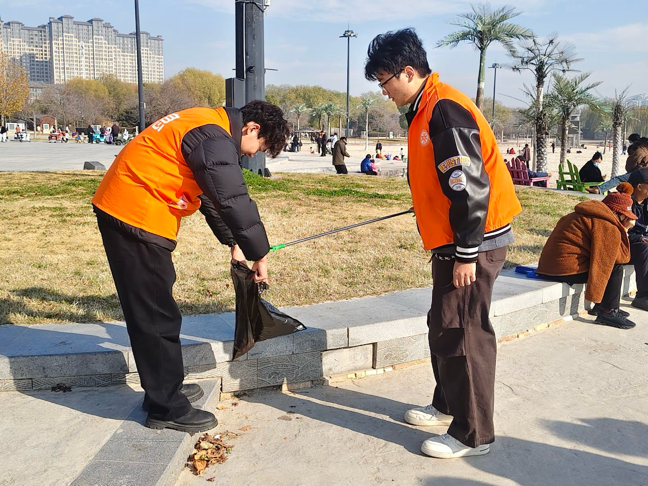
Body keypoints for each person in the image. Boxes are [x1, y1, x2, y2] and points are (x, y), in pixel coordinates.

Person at [365, 28, 522, 459]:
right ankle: (447, 404)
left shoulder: (443, 110)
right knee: (443, 323)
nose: (383, 91)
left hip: (473, 242)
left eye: (384, 81)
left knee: (464, 332)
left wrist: (467, 253)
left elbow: (469, 187)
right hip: (454, 240)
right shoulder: (425, 106)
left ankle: (473, 434)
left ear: (408, 72)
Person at [92, 100, 289, 433]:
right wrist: (260, 255)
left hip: (131, 206)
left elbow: (211, 194)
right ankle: (165, 407)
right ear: (252, 128)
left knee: (156, 310)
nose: (254, 153)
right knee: (156, 315)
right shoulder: (213, 136)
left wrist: (234, 243)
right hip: (135, 214)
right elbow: (233, 198)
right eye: (261, 146)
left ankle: (164, 387)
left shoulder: (205, 123)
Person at [536, 182, 637, 329]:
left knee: (608, 262)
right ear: (616, 213)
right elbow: (621, 257)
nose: (627, 220)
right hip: (564, 270)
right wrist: (624, 230)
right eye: (625, 217)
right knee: (615, 267)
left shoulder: (588, 215)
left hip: (552, 267)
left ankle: (604, 305)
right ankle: (608, 311)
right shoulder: (606, 224)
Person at [626, 169, 648, 311]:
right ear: (639, 186)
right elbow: (619, 232)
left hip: (642, 241)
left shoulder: (646, 203)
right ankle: (642, 296)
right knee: (644, 247)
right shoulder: (626, 203)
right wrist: (639, 238)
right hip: (627, 245)